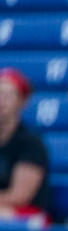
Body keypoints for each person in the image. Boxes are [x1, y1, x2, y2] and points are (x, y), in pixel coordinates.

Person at [0, 68, 51, 222]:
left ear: (23, 101)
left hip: (28, 217)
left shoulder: (30, 143)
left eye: (9, 95)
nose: (2, 100)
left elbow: (19, 196)